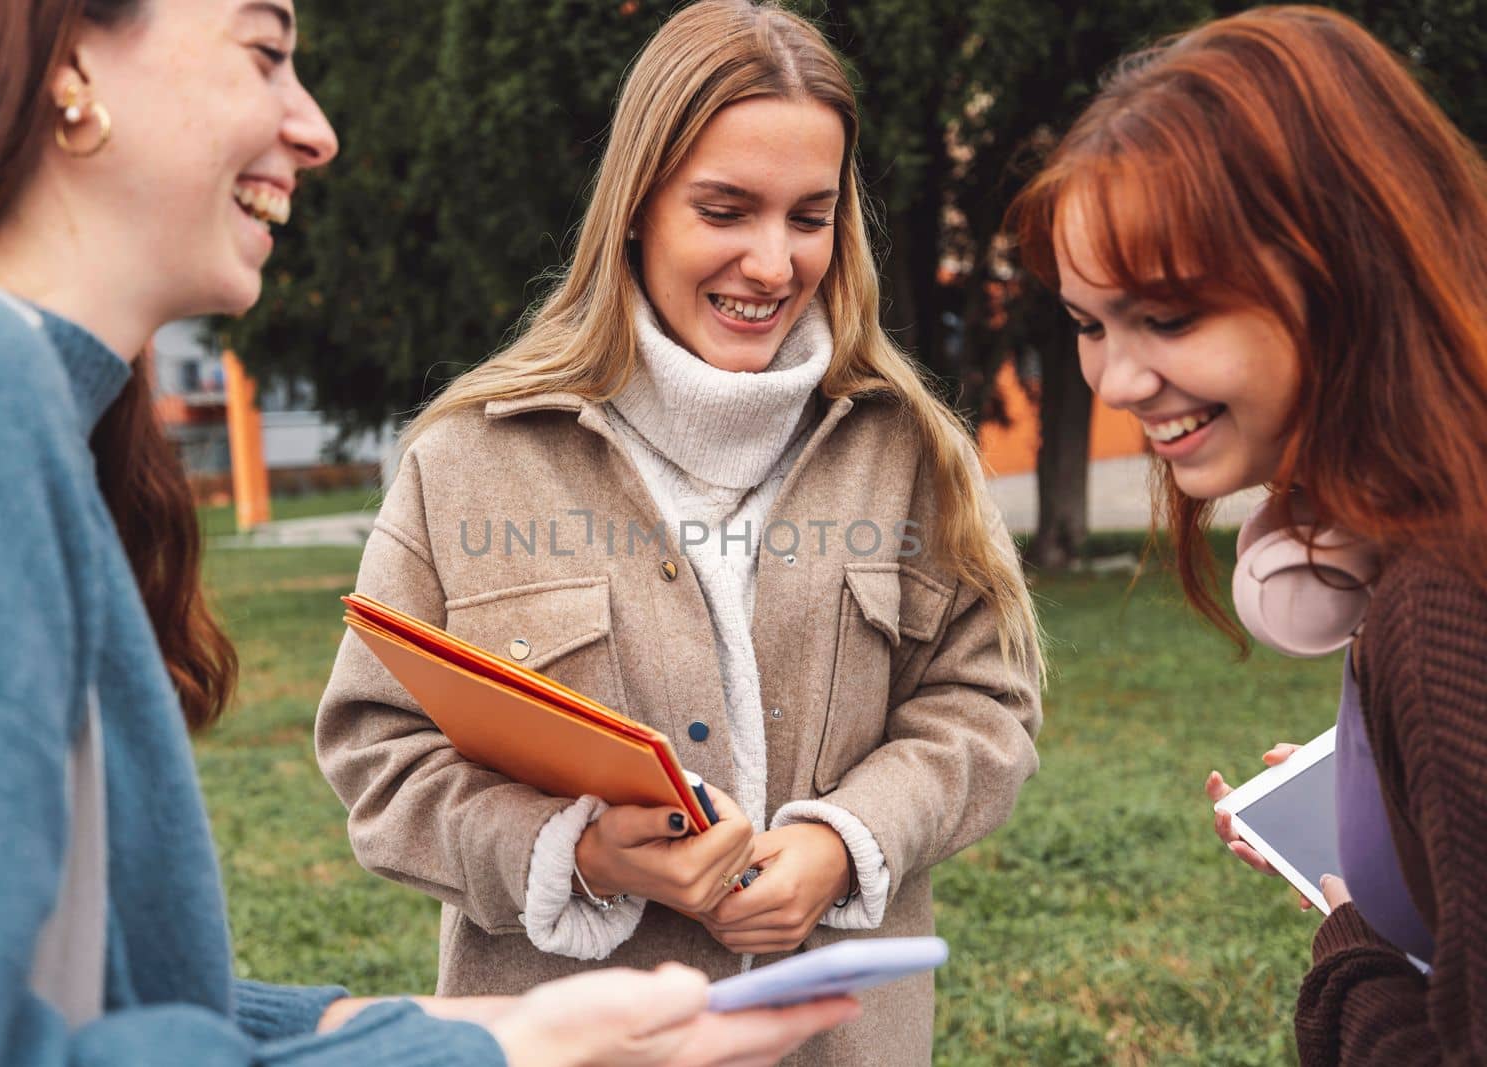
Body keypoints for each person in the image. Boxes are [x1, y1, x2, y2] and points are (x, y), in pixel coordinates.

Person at [0, 0, 856, 1063]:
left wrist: (393, 1024)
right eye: (265, 53)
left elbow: (79, 986)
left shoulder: (18, 397)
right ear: (71, 62)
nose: (316, 130)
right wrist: (506, 1054)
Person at [316, 1, 1044, 1063]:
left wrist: (842, 844)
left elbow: (986, 706)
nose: (770, 262)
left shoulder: (915, 454)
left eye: (809, 215)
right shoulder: (467, 459)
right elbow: (377, 755)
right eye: (724, 209)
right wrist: (583, 853)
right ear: (636, 207)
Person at [1009, 5, 1487, 1062]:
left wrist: (1350, 958)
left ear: (1344, 274)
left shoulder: (1443, 599)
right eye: (1089, 325)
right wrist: (1393, 799)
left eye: (1169, 317)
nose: (1120, 381)